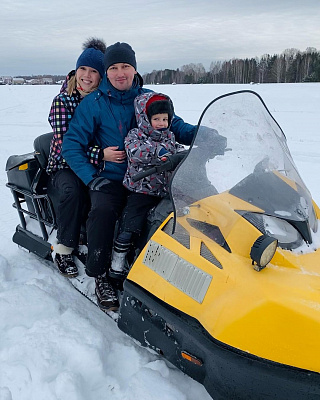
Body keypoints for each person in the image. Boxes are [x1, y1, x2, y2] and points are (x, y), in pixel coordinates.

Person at [62, 42, 197, 312]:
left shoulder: (148, 98)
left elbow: (174, 124)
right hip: (109, 179)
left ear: (135, 69)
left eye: (125, 66)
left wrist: (203, 135)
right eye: (113, 68)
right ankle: (100, 274)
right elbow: (71, 144)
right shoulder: (94, 104)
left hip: (149, 178)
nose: (120, 72)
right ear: (106, 72)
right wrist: (91, 178)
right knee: (103, 211)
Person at [46, 37, 107, 278]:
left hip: (95, 163)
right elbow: (66, 143)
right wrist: (100, 153)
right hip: (64, 164)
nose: (87, 75)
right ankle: (64, 248)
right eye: (83, 69)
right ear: (75, 70)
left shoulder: (102, 101)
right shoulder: (63, 101)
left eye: (94, 71)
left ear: (101, 76)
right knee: (73, 191)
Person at [109, 92, 185, 279]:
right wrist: (156, 151)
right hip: (141, 189)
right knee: (132, 222)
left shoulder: (170, 136)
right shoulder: (136, 135)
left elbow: (176, 150)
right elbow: (135, 152)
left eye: (165, 119)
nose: (161, 123)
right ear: (145, 119)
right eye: (156, 118)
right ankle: (118, 258)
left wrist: (188, 155)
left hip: (165, 190)